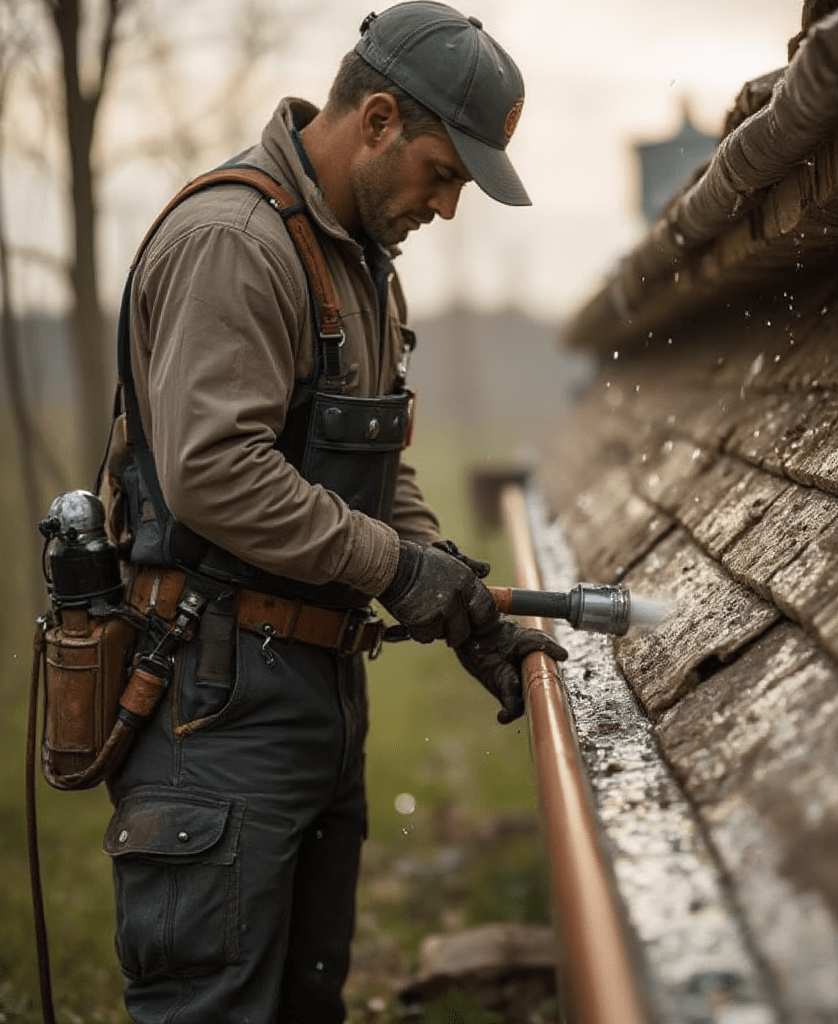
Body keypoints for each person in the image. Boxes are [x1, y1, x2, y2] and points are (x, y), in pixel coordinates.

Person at [98, 3, 567, 1021]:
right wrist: (398, 571)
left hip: (315, 698)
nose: (447, 208)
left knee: (307, 1001)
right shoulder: (236, 243)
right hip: (213, 712)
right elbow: (215, 472)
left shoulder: (359, 263)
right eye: (445, 174)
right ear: (381, 118)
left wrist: (457, 599)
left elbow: (373, 468)